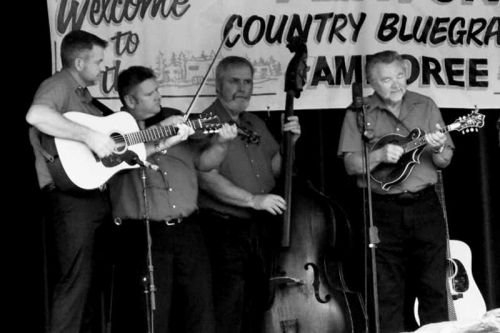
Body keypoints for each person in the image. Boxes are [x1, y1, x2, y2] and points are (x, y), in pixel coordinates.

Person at [108, 65, 237, 333]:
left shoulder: (176, 121)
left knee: (198, 310)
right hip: (144, 234)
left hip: (187, 228)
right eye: (150, 93)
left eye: (158, 90)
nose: (159, 97)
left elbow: (203, 162)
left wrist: (221, 144)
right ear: (131, 101)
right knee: (152, 315)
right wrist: (163, 134)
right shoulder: (112, 132)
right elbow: (117, 157)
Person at [337, 50, 455, 332]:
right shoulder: (358, 112)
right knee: (386, 291)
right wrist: (378, 156)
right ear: (371, 82)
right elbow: (351, 164)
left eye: (400, 76)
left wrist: (439, 147)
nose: (396, 84)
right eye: (387, 79)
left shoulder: (425, 105)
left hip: (425, 204)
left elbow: (444, 160)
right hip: (382, 210)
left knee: (434, 286)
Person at [197, 56, 301, 333]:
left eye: (247, 82)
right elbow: (205, 178)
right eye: (234, 81)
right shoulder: (203, 122)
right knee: (228, 305)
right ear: (218, 84)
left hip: (259, 228)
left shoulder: (255, 122)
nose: (242, 88)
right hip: (224, 228)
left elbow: (277, 170)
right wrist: (253, 200)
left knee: (258, 304)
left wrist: (291, 143)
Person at [26, 30, 115, 333]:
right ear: (79, 62)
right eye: (99, 61)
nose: (103, 67)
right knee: (74, 284)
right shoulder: (58, 84)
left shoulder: (84, 96)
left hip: (92, 197)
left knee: (91, 286)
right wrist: (89, 135)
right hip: (71, 199)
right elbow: (36, 115)